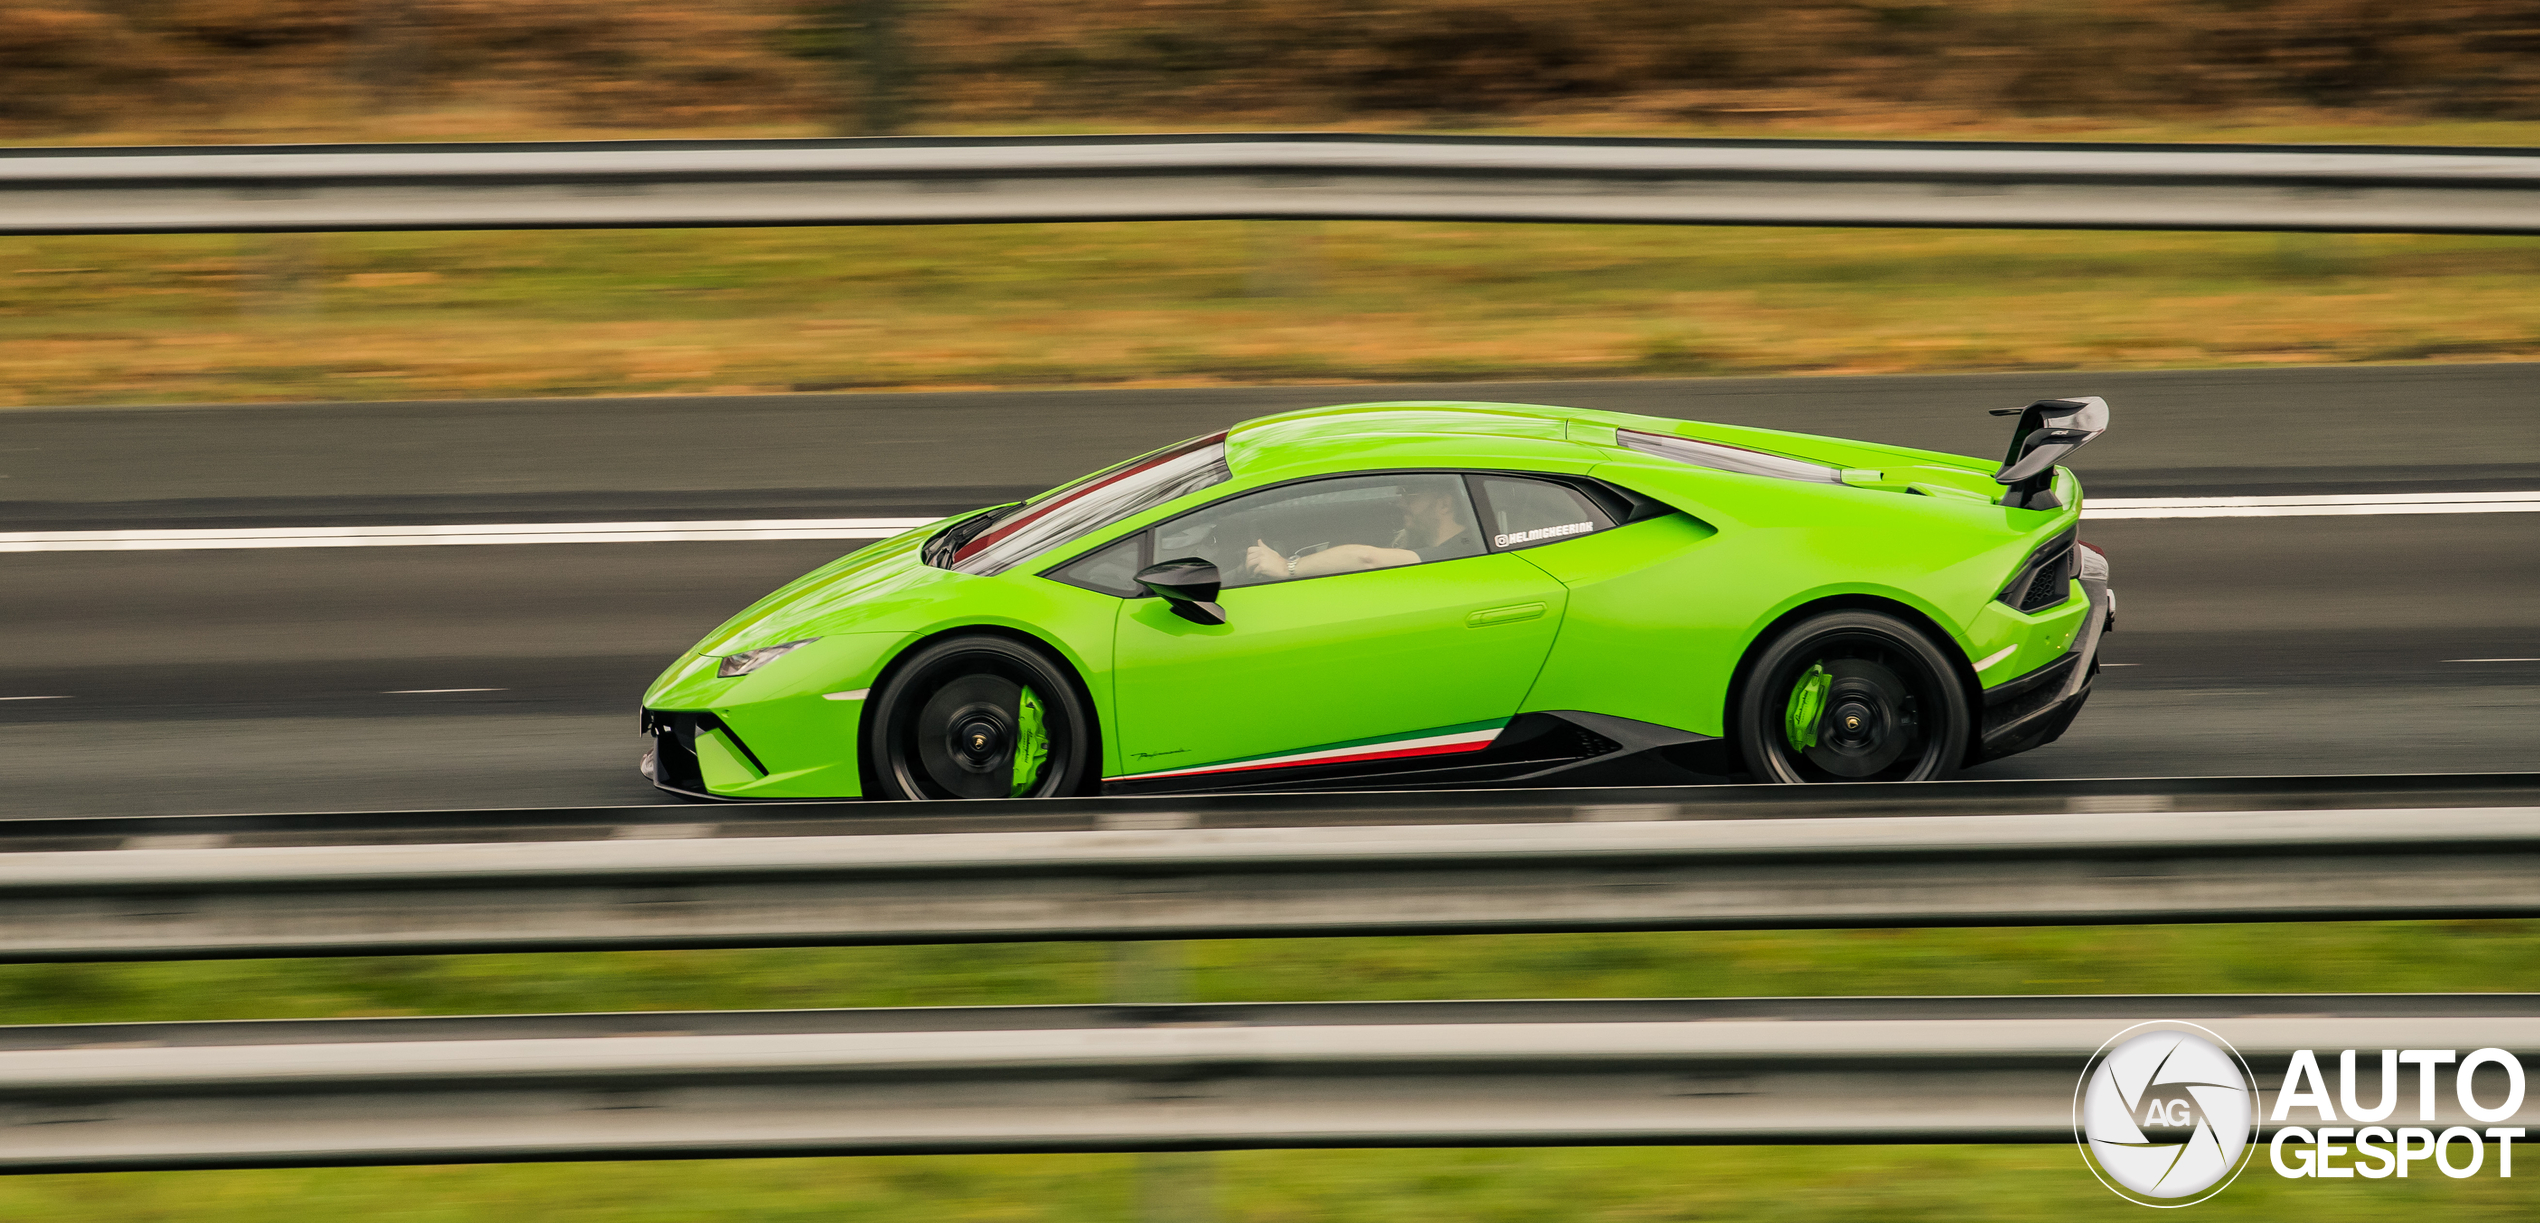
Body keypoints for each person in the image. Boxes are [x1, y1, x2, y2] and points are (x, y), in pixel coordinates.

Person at [1242, 483, 1477, 581]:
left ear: (1444, 505)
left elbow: (1367, 559)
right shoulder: (1416, 542)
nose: (1400, 502)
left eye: (1409, 494)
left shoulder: (1460, 551)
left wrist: (1287, 567)